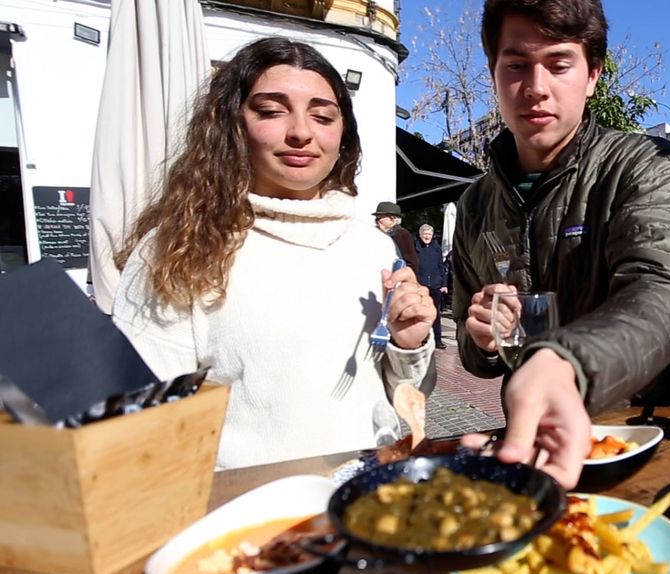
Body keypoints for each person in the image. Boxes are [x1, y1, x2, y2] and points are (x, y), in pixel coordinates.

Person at [112, 37, 437, 469]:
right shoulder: (179, 249)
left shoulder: (373, 246)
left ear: (343, 134)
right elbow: (145, 426)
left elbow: (400, 396)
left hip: (370, 502)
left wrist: (407, 344)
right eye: (270, 111)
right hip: (250, 517)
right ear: (231, 125)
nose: (301, 132)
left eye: (322, 115)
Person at [452, 0, 670, 489]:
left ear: (592, 75)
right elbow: (469, 347)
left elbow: (666, 296)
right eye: (517, 65)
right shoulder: (475, 203)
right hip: (530, 445)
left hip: (639, 438)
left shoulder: (641, 165)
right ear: (494, 72)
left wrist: (569, 361)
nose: (536, 88)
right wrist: (482, 336)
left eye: (559, 64)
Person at [416, 223, 449, 349]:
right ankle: (422, 339)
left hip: (436, 285)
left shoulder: (436, 248)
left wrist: (444, 284)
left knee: (435, 313)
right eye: (425, 234)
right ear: (420, 235)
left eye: (429, 234)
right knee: (421, 314)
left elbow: (442, 267)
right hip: (421, 285)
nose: (427, 236)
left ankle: (437, 339)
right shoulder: (416, 248)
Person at [373, 201, 420, 270]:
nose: (377, 221)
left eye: (379, 218)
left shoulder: (402, 235)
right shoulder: (375, 234)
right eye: (376, 218)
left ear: (391, 218)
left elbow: (411, 263)